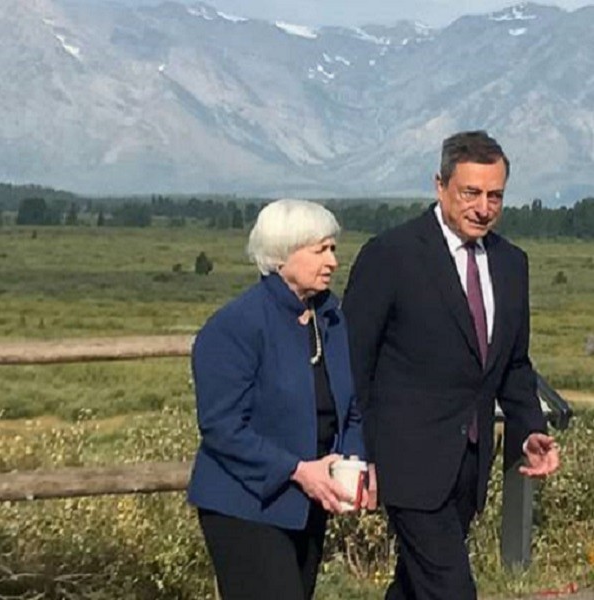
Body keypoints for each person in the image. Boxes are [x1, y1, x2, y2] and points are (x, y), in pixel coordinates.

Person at [343, 130, 560, 600]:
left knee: (415, 585)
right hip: (406, 461)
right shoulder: (391, 255)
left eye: (495, 195)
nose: (484, 207)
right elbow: (353, 361)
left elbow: (514, 366)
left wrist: (530, 430)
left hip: (469, 465)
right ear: (439, 185)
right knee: (451, 589)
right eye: (471, 193)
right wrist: (357, 451)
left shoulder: (511, 264)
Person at [187, 199, 375, 600]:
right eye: (320, 250)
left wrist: (353, 465)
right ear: (281, 254)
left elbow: (350, 406)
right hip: (245, 504)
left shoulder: (332, 319)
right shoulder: (235, 326)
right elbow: (222, 427)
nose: (333, 262)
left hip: (307, 505)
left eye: (333, 249)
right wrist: (296, 469)